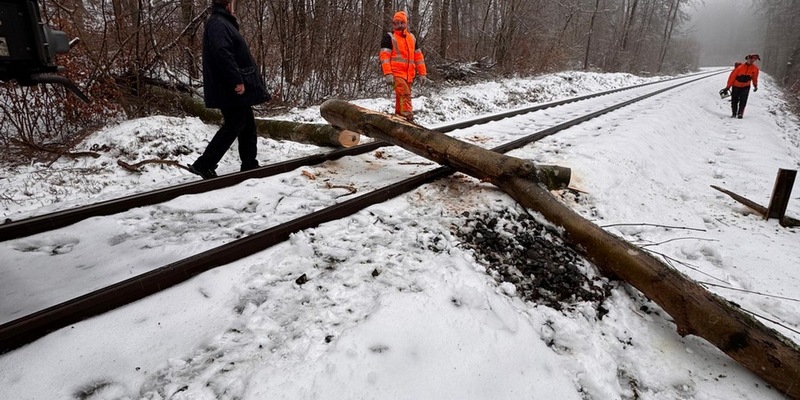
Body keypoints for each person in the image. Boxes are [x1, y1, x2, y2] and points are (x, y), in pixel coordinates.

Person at [190, 0, 271, 179]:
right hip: (228, 87)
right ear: (228, 4)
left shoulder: (222, 22)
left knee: (247, 124)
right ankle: (204, 164)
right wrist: (237, 79)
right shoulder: (218, 23)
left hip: (228, 86)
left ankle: (250, 164)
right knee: (234, 124)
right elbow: (222, 52)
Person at [379, 11, 432, 122]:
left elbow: (418, 57)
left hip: (408, 75)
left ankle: (399, 119)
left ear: (406, 23)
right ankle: (408, 118)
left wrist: (423, 73)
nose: (398, 26)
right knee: (405, 94)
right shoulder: (389, 37)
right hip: (395, 75)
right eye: (396, 23)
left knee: (401, 98)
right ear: (393, 24)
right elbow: (384, 57)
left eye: (401, 23)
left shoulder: (411, 38)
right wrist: (388, 74)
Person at [722, 54, 760, 119]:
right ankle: (734, 113)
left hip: (746, 86)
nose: (751, 61)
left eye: (754, 60)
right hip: (736, 86)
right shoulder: (739, 68)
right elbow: (732, 77)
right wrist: (728, 87)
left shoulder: (755, 69)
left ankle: (740, 113)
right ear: (747, 59)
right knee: (734, 100)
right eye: (751, 59)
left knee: (743, 100)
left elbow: (754, 78)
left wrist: (755, 85)